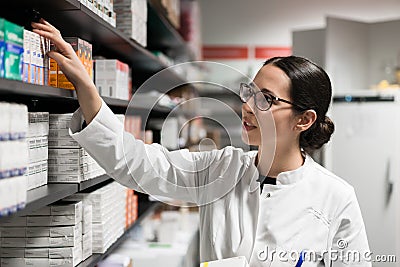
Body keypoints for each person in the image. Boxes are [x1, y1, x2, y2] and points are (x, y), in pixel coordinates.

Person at [32, 19, 371, 266]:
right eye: (249, 92)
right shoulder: (220, 169)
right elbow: (133, 163)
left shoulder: (336, 197)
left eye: (266, 99)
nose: (248, 106)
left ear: (304, 119)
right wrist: (86, 86)